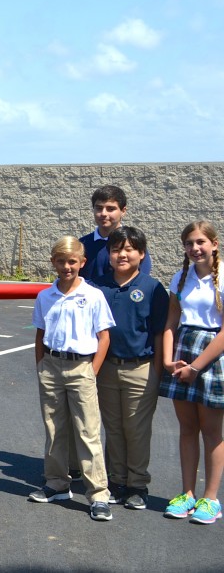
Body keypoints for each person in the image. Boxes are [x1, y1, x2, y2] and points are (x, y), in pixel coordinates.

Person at [29, 237, 115, 522]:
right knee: (54, 429)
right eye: (61, 261)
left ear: (82, 263)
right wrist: (41, 365)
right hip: (51, 366)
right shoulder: (45, 296)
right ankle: (56, 483)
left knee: (88, 431)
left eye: (72, 262)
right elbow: (40, 334)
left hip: (82, 367)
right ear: (53, 262)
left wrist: (93, 370)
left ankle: (98, 494)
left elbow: (104, 337)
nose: (67, 267)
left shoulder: (92, 295)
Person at [93, 226, 168, 510]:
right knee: (113, 428)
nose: (122, 254)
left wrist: (159, 372)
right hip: (107, 368)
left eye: (129, 249)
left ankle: (138, 485)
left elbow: (160, 332)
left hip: (142, 369)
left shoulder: (152, 288)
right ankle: (117, 481)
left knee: (136, 429)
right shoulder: (98, 287)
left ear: (141, 254)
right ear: (109, 254)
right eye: (115, 249)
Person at [159, 221, 224, 524]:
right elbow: (172, 322)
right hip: (183, 352)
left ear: (214, 243)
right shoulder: (179, 277)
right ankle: (187, 494)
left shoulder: (222, 276)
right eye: (188, 243)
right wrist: (171, 361)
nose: (195, 248)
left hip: (212, 356)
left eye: (200, 242)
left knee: (211, 432)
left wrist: (197, 367)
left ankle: (210, 499)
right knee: (187, 429)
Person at [79, 185, 152, 283]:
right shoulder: (82, 245)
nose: (103, 213)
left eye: (110, 209)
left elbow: (140, 281)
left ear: (123, 211)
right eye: (99, 208)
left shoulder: (133, 244)